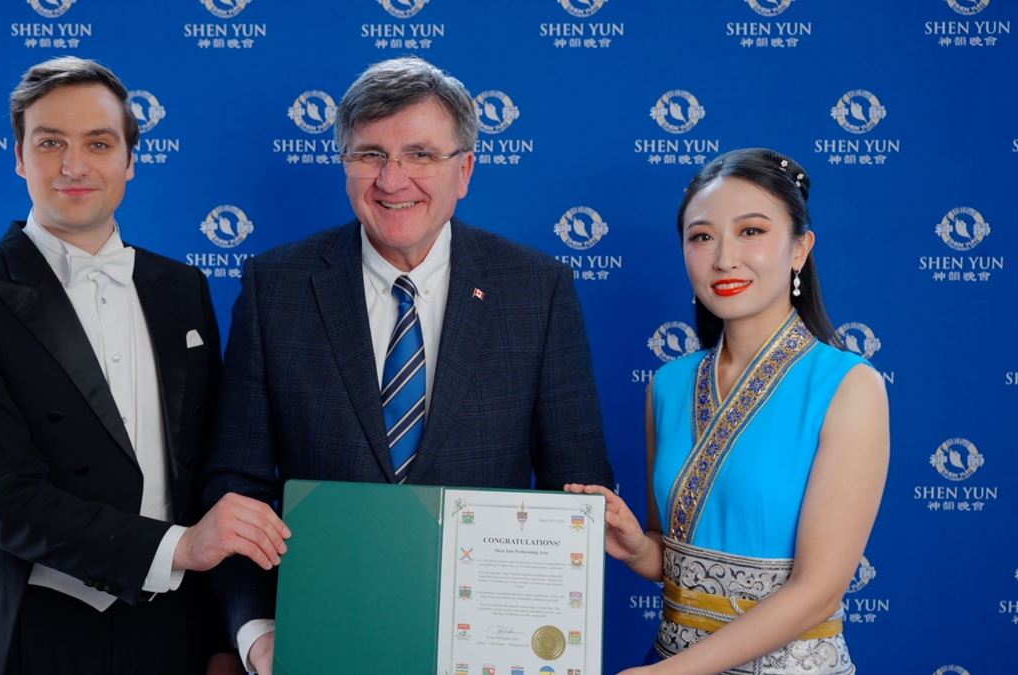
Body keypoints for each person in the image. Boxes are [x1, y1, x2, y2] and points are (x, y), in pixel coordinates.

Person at [204, 56, 615, 674]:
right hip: (319, 641)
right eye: (370, 154)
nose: (392, 180)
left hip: (487, 651)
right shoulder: (276, 287)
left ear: (464, 170)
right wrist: (259, 633)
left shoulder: (537, 289)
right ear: (345, 165)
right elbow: (237, 490)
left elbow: (576, 488)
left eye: (420, 154)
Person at [0, 56, 289, 675]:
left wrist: (225, 632)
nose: (74, 165)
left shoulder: (183, 288)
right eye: (50, 142)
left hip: (176, 628)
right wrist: (180, 548)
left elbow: (208, 468)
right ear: (19, 157)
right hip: (35, 630)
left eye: (99, 143)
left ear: (130, 160)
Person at [569, 148, 889, 675]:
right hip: (669, 658)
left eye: (751, 231)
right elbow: (673, 559)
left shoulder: (849, 386)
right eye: (701, 237)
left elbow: (818, 591)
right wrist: (637, 547)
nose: (723, 258)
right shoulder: (669, 384)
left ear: (800, 249)